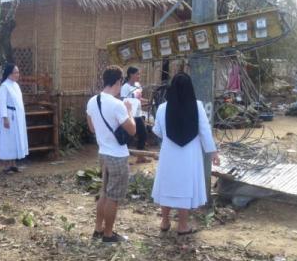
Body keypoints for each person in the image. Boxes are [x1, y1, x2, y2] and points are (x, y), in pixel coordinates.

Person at [151, 72, 220, 234]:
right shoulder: (197, 106)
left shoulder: (162, 108)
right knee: (185, 186)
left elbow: (158, 131)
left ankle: (165, 221)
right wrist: (213, 153)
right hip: (190, 153)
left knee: (167, 184)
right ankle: (183, 225)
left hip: (169, 152)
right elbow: (204, 131)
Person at [86, 65, 136, 243]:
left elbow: (92, 128)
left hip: (103, 153)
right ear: (119, 81)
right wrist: (130, 111)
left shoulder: (92, 101)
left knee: (104, 193)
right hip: (117, 156)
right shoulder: (118, 105)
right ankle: (108, 234)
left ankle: (98, 229)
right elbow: (131, 130)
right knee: (113, 197)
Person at [0, 64, 29, 174]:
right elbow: (2, 104)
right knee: (8, 140)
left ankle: (13, 164)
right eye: (15, 72)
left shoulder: (15, 85)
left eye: (18, 72)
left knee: (15, 139)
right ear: (9, 73)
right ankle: (6, 166)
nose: (17, 75)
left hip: (17, 116)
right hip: (9, 116)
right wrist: (5, 118)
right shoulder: (4, 87)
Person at [120, 66, 149, 163]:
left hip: (138, 114)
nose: (139, 76)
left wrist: (148, 101)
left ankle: (140, 157)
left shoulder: (138, 85)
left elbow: (138, 98)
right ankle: (124, 158)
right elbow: (123, 100)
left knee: (143, 134)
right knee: (129, 136)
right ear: (131, 74)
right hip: (130, 115)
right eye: (137, 74)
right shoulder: (125, 87)